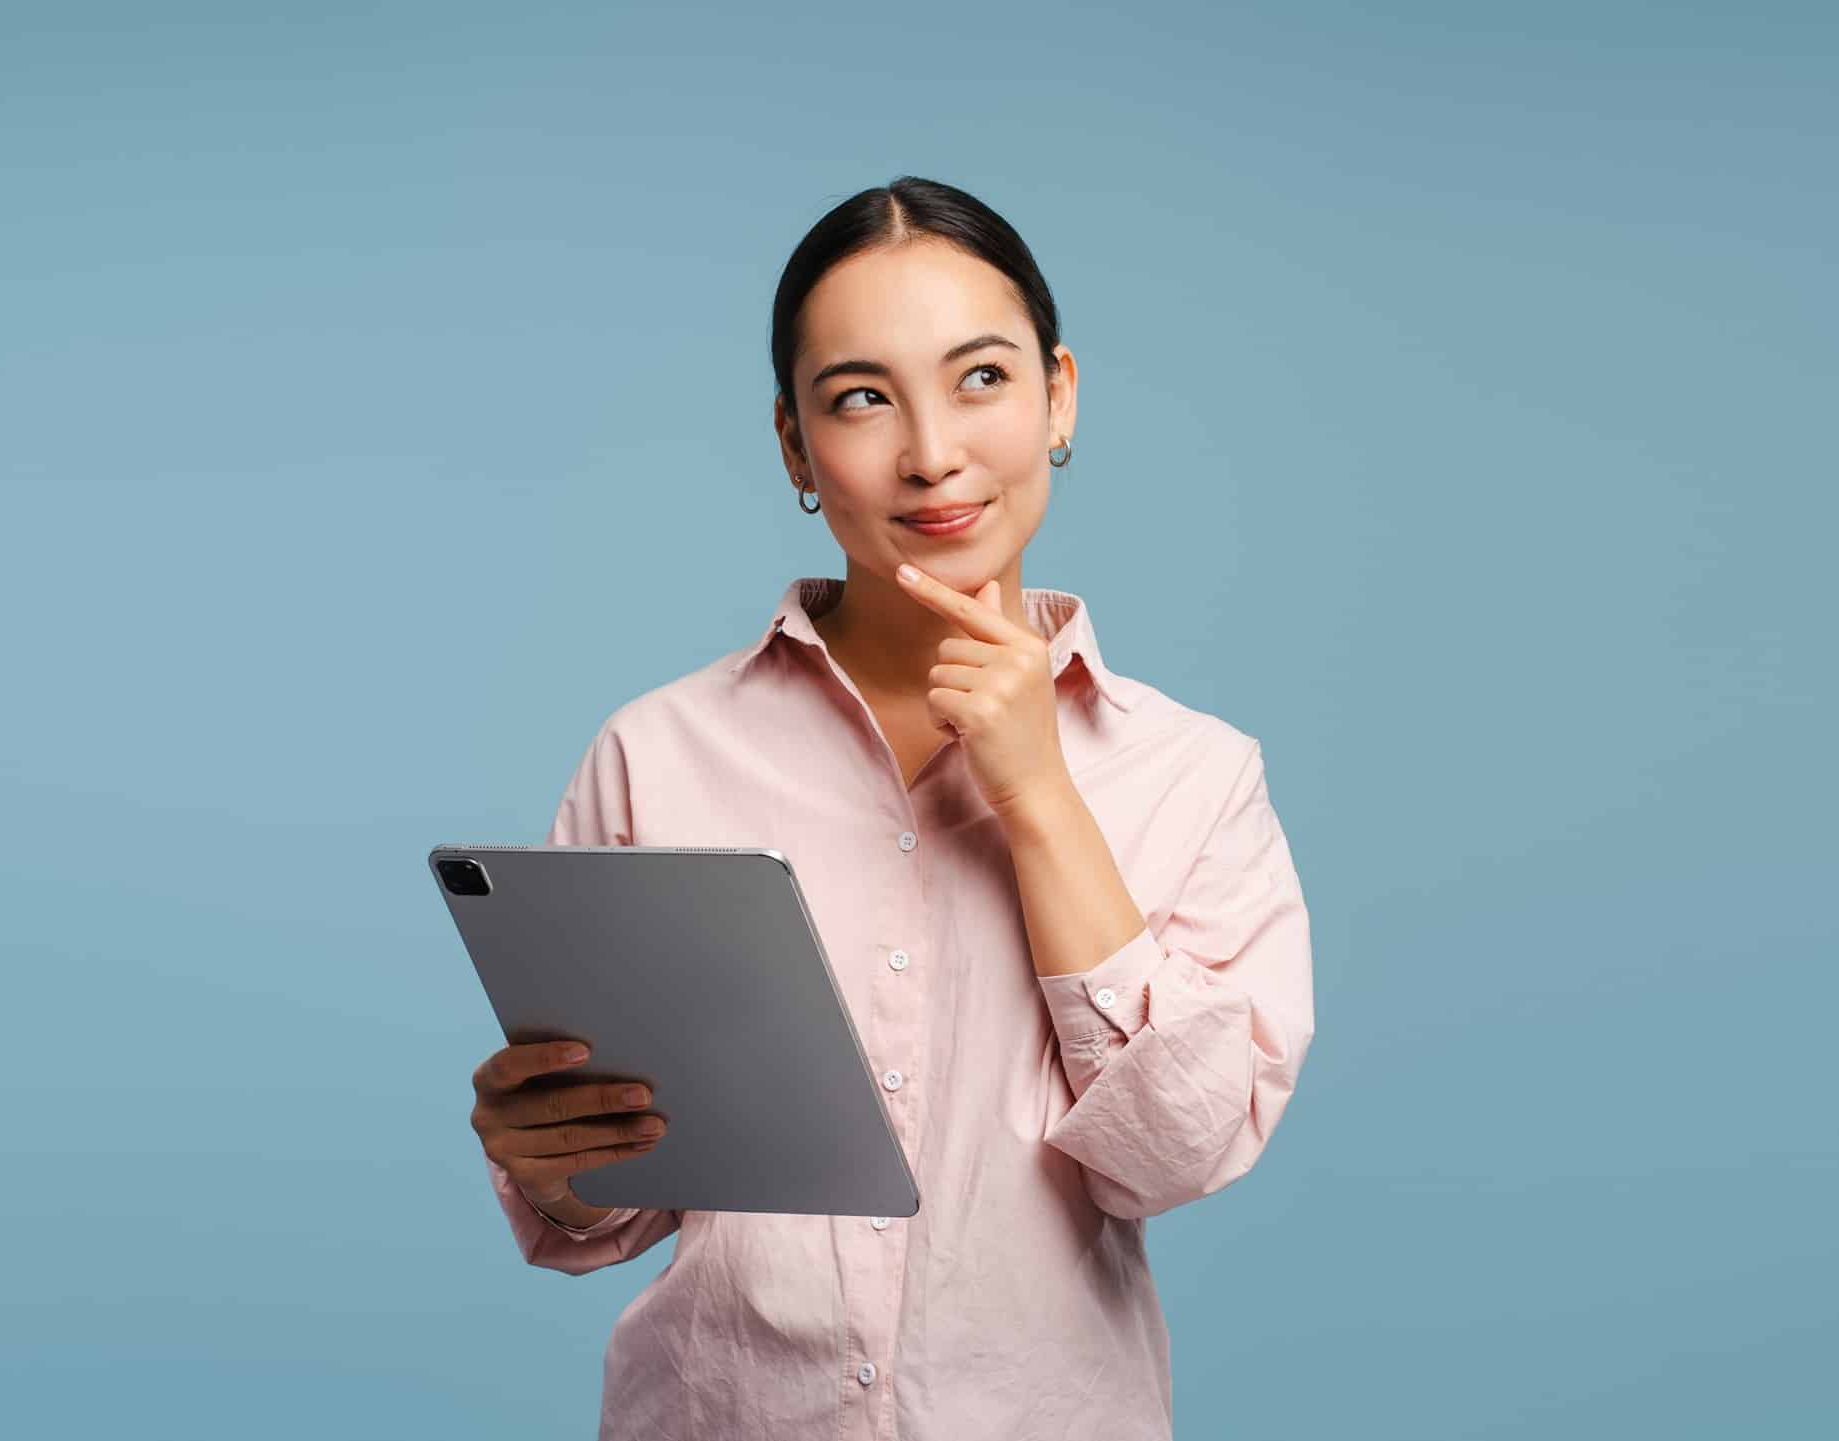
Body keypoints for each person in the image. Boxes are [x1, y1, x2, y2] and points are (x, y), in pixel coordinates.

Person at [468, 175, 1316, 1440]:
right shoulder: (657, 751)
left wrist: (1036, 792)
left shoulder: (1193, 772)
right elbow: (613, 1208)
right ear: (794, 445)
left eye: (981, 377)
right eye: (861, 398)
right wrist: (558, 1165)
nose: (931, 452)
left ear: (1059, 394)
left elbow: (1173, 1159)